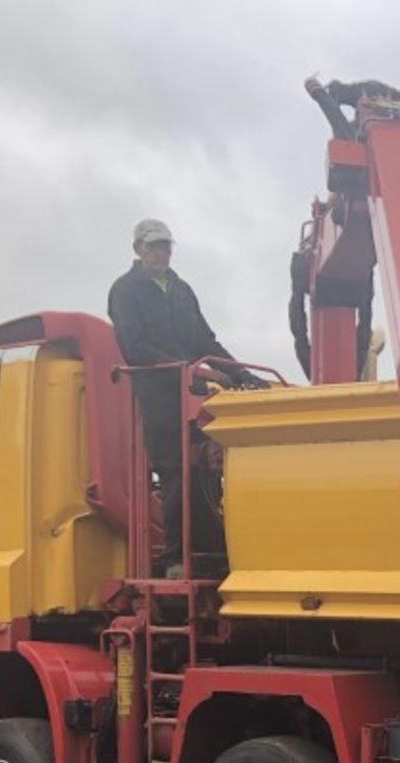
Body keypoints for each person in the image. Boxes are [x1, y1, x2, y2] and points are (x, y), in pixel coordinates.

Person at [107, 218, 260, 572]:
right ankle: (175, 559)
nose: (161, 252)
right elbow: (134, 346)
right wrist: (179, 367)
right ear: (138, 249)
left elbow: (206, 339)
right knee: (174, 469)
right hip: (157, 393)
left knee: (208, 467)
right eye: (154, 246)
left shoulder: (182, 290)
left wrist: (240, 372)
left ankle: (214, 553)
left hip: (193, 390)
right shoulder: (125, 291)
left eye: (165, 246)